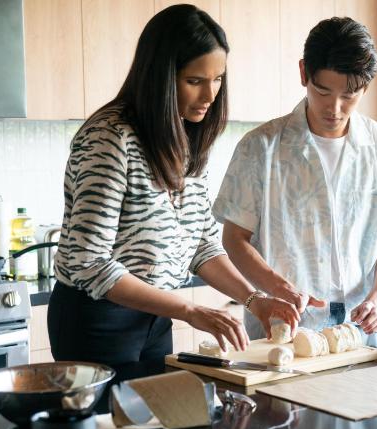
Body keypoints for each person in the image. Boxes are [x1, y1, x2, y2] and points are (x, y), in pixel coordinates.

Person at [48, 4, 300, 367]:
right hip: (96, 321)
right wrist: (189, 310)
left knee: (159, 423)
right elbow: (90, 263)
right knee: (109, 426)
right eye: (194, 81)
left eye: (217, 80)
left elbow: (201, 245)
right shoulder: (109, 138)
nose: (210, 96)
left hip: (155, 316)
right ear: (161, 77)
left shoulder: (184, 138)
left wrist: (254, 300)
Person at [213, 17, 377, 339]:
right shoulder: (260, 148)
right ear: (304, 73)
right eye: (323, 91)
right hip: (285, 326)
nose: (335, 108)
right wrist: (278, 287)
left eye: (350, 95)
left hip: (362, 328)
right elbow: (234, 238)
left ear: (366, 86)